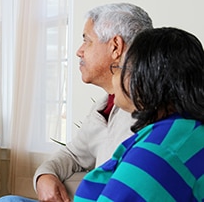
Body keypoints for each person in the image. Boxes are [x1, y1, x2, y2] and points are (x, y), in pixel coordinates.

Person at [0, 3, 153, 202]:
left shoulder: (148, 114)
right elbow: (72, 154)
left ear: (115, 47)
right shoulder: (103, 106)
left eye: (87, 41)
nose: (79, 51)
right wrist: (45, 176)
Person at [74, 27, 204, 201]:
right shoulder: (185, 130)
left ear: (146, 77)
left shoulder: (160, 150)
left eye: (119, 68)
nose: (115, 77)